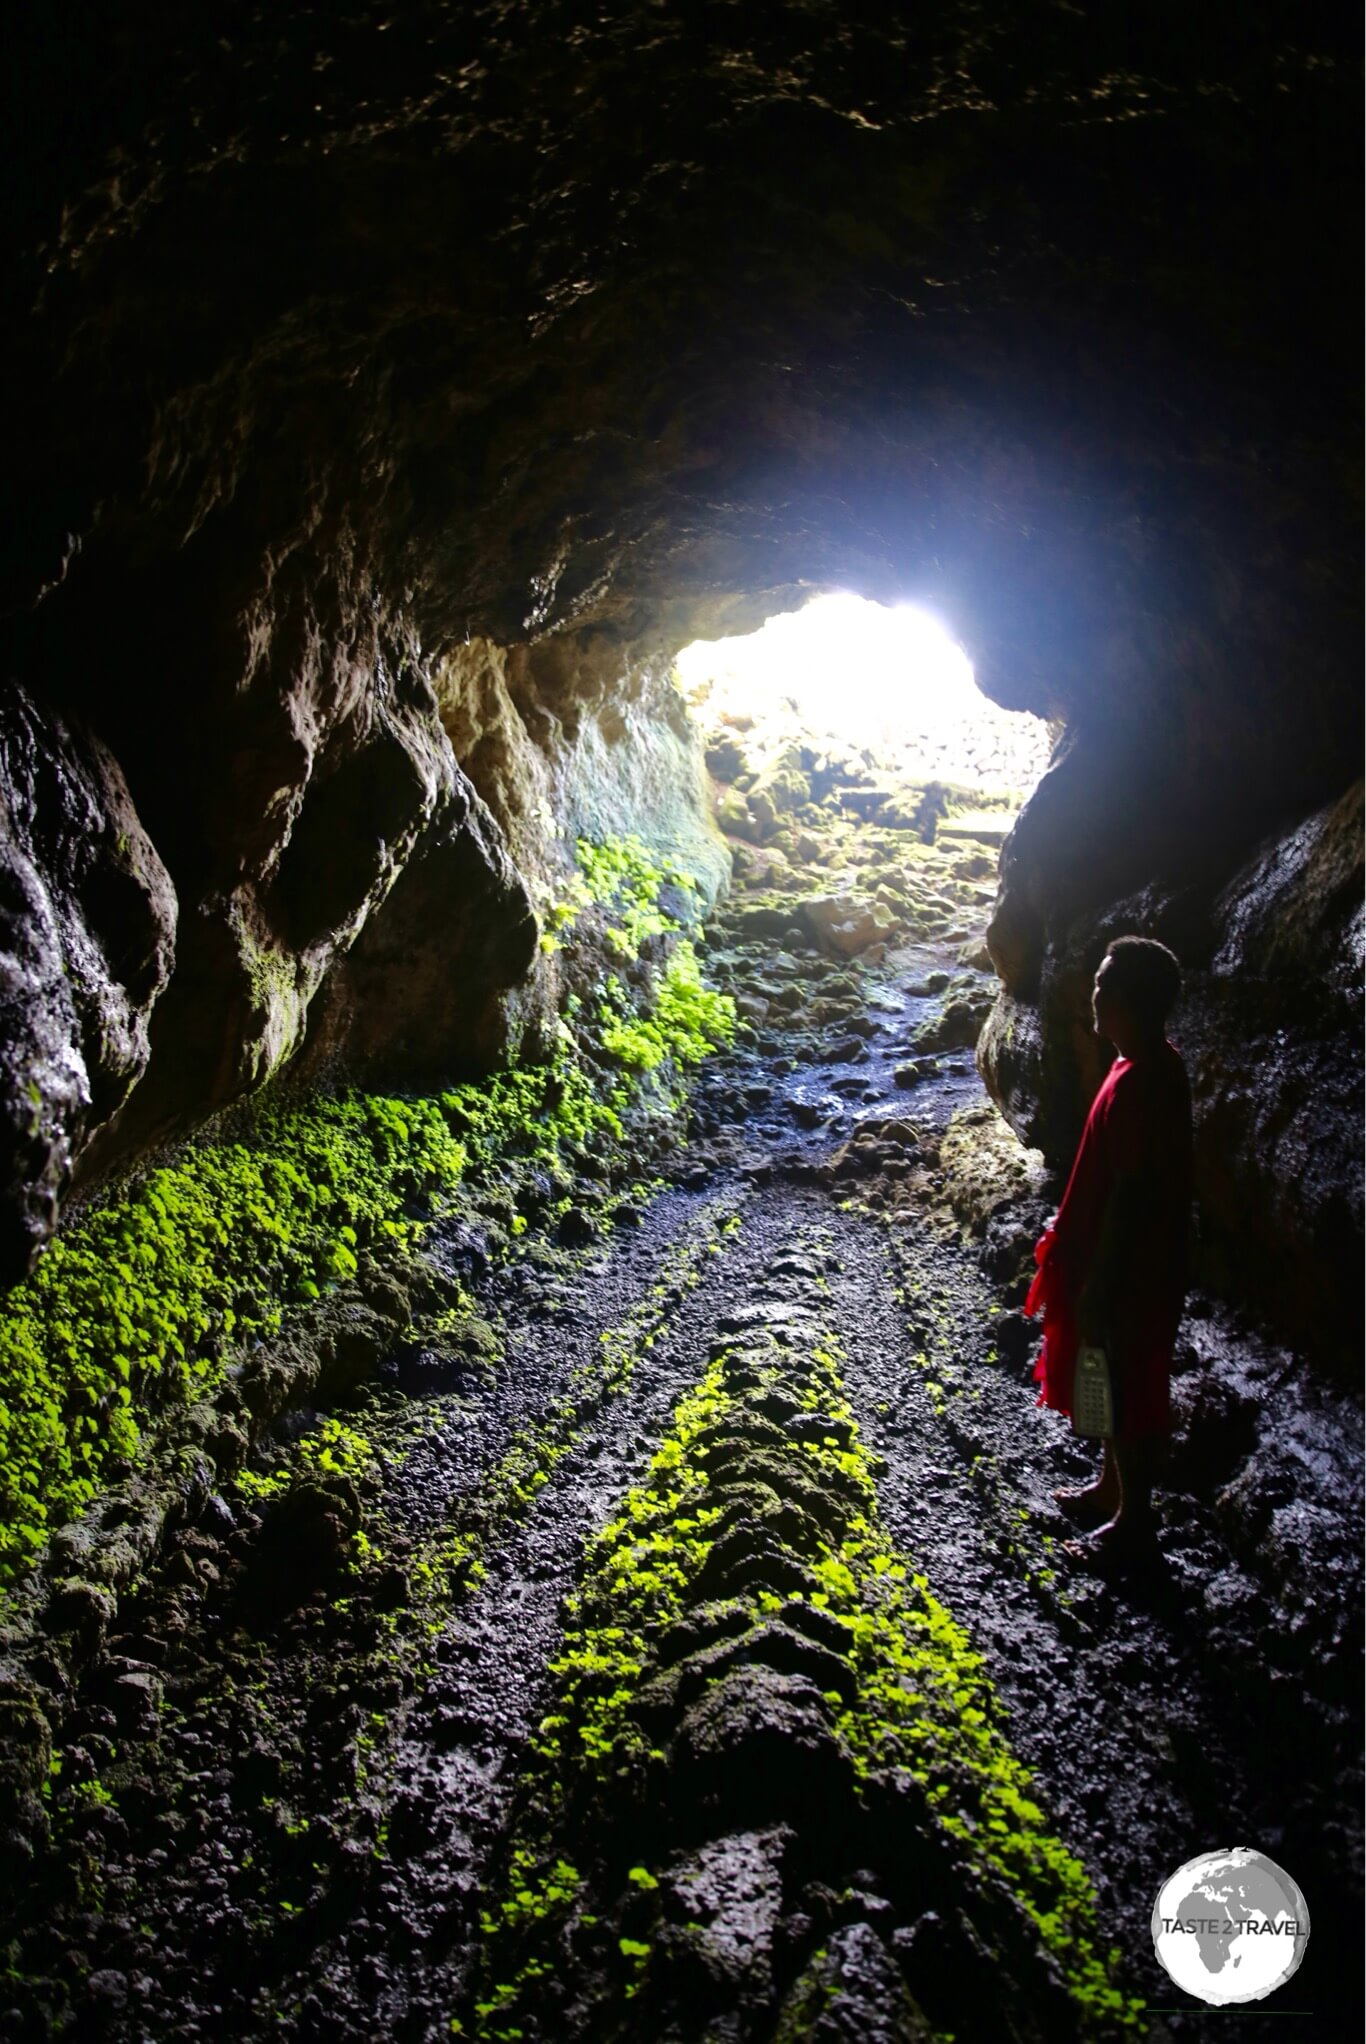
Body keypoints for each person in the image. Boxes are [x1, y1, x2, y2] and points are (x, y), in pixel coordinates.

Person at [1024, 936, 1193, 1565]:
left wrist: (1101, 1277)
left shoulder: (1144, 1082)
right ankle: (1110, 1487)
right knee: (1113, 1369)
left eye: (1100, 984)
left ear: (1122, 1000)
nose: (1091, 993)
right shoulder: (1142, 1061)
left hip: (1134, 1263)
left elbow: (1131, 1189)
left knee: (1130, 1381)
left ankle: (1134, 1523)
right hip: (1128, 1254)